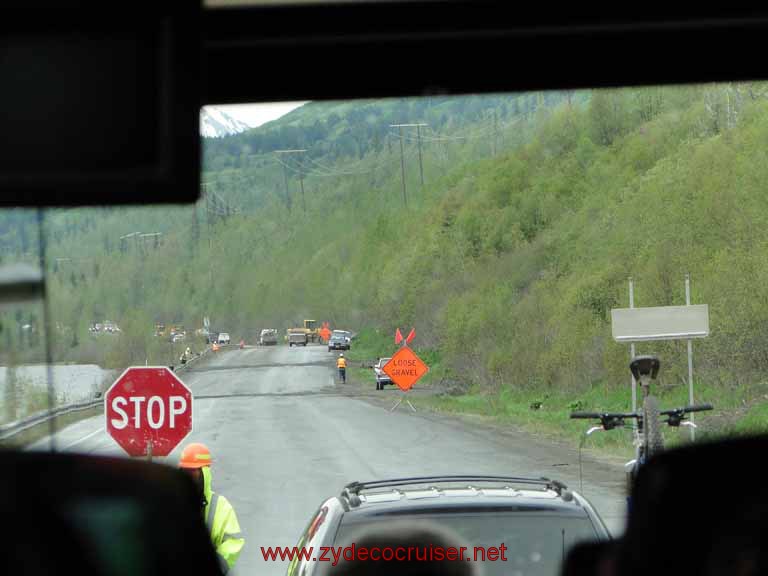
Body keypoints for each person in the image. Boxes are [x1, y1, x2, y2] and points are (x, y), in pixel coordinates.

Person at [179, 443, 245, 574]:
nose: (190, 478)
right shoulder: (174, 501)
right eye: (186, 472)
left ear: (205, 473)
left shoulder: (220, 506)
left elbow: (233, 542)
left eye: (193, 472)